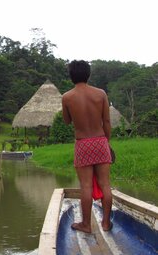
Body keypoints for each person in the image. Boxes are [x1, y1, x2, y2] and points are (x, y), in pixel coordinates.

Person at [62, 60, 113, 233]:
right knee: (105, 184)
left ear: (71, 77)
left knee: (85, 186)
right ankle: (106, 223)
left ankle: (86, 224)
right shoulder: (101, 94)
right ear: (88, 74)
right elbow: (106, 121)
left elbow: (67, 121)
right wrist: (108, 143)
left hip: (83, 144)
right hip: (100, 141)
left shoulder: (67, 97)